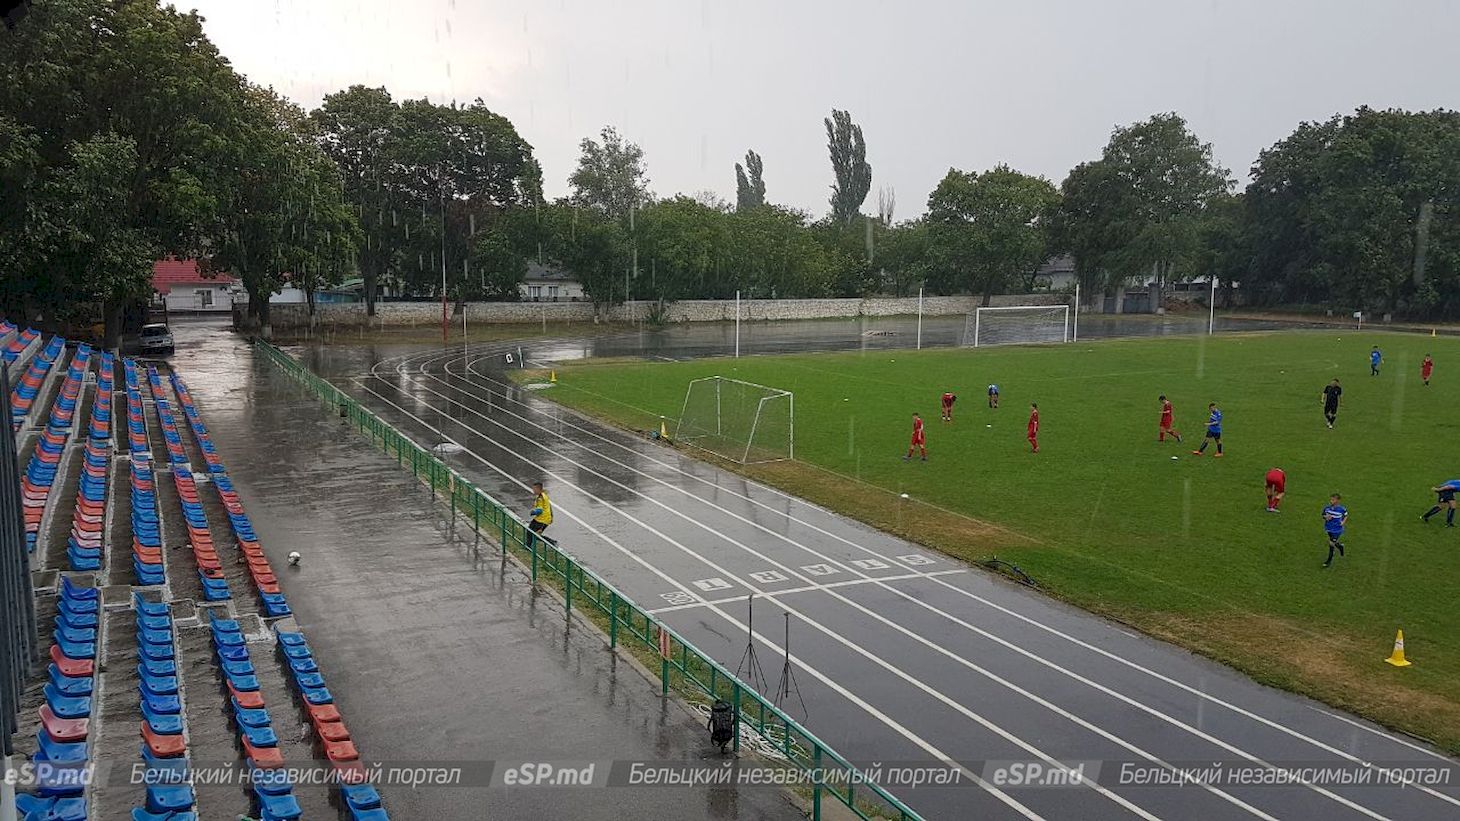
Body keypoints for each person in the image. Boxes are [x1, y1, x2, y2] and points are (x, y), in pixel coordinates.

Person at [1322, 494, 1348, 568]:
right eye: (1331, 499)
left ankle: (1328, 561)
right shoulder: (1327, 508)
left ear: (1338, 501)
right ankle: (1340, 547)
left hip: (1337, 530)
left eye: (1333, 500)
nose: (1331, 501)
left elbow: (1346, 515)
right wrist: (1326, 517)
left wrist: (1343, 522)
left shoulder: (1342, 509)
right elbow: (1323, 514)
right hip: (1329, 528)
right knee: (1333, 541)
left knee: (1331, 544)